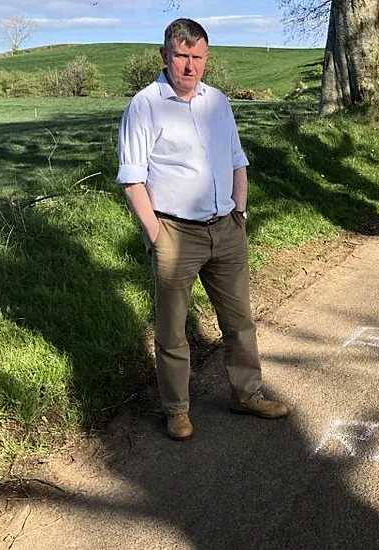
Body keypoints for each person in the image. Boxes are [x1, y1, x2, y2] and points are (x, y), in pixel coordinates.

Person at [116, 18, 289, 441]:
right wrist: (157, 234)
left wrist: (240, 216)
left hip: (226, 228)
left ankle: (246, 394)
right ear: (164, 56)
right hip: (176, 233)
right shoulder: (144, 105)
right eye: (181, 56)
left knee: (239, 321)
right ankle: (176, 409)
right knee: (173, 330)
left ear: (206, 59)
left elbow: (237, 162)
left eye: (197, 57)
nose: (189, 66)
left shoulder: (219, 103)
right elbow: (131, 178)